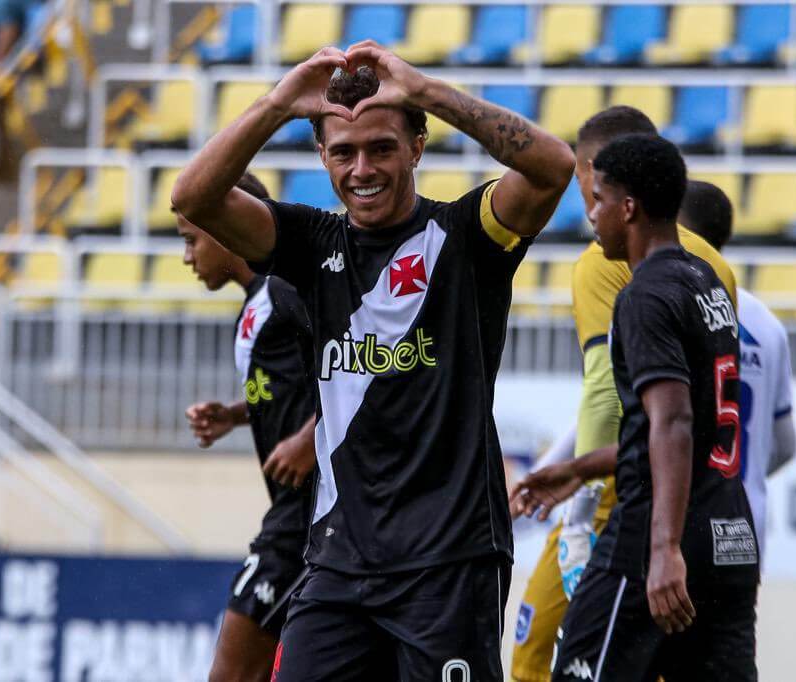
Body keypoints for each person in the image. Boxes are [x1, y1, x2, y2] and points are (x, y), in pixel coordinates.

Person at [172, 42, 575, 679]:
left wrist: (426, 93)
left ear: (416, 146)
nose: (363, 169)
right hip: (338, 567)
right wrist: (278, 103)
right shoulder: (310, 244)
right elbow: (192, 199)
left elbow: (554, 166)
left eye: (382, 147)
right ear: (322, 157)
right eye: (344, 152)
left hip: (450, 564)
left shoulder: (468, 236)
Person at [514, 134, 759, 681]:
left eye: (597, 199)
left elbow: (673, 420)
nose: (591, 215)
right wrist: (579, 469)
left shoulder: (644, 293)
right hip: (729, 532)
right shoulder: (706, 282)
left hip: (655, 536)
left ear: (628, 208)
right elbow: (674, 425)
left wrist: (664, 548)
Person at [180, 172, 317, 682]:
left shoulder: (284, 290)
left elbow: (355, 369)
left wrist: (309, 436)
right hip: (293, 514)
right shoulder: (257, 302)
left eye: (191, 240)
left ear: (225, 227)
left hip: (304, 521)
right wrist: (237, 414)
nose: (187, 257)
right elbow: (296, 383)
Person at [680, 179, 796, 557]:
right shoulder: (767, 325)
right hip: (747, 520)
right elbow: (784, 445)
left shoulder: (667, 306)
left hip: (684, 517)